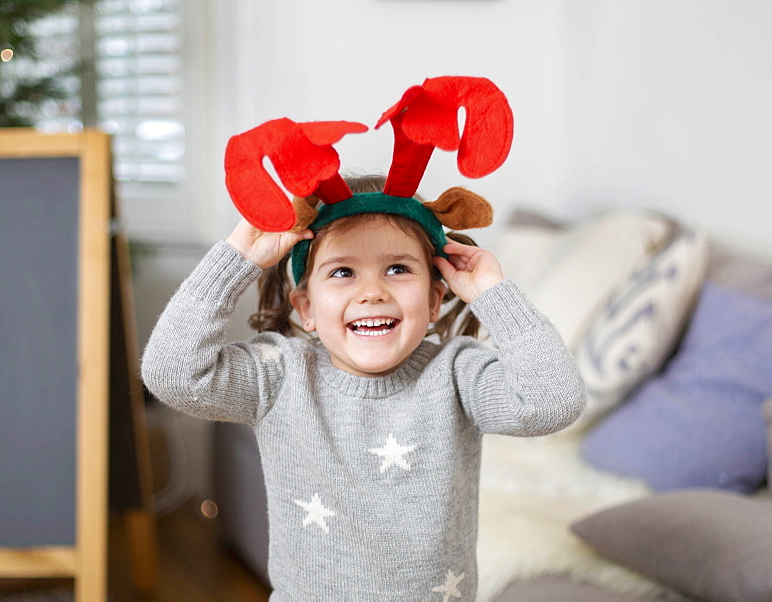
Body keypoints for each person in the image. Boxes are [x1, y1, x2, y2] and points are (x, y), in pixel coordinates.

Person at [141, 168, 586, 600]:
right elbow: (172, 374)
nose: (372, 292)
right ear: (307, 308)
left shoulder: (456, 374)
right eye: (342, 272)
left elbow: (553, 401)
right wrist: (235, 261)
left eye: (397, 269)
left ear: (434, 299)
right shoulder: (280, 373)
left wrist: (493, 292)